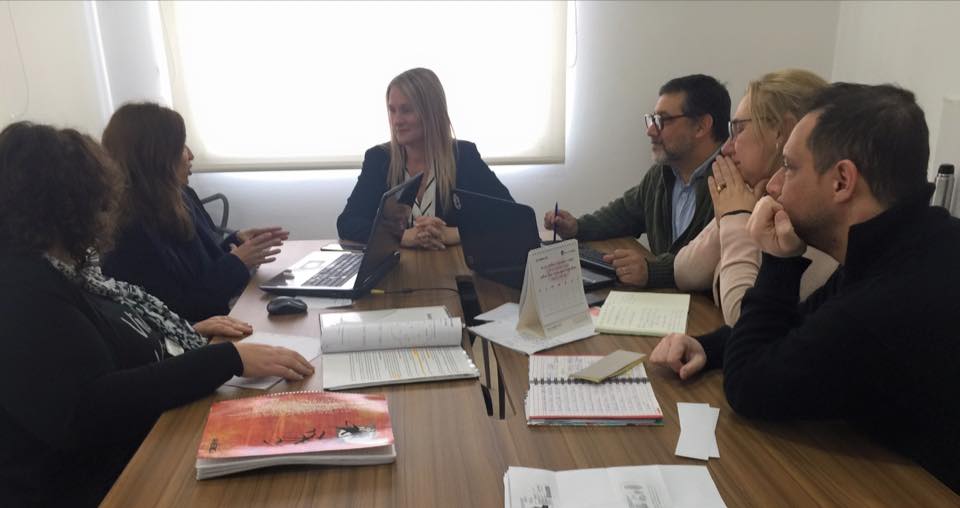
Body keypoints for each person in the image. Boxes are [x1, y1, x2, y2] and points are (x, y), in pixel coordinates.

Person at [650, 83, 960, 492]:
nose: (774, 185)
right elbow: (801, 327)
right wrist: (709, 346)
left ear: (842, 181)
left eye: (790, 167)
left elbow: (749, 387)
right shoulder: (913, 240)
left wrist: (778, 260)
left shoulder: (885, 302)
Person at [0, 122, 315, 506]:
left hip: (130, 450)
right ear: (71, 204)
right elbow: (91, 408)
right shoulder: (21, 291)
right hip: (89, 485)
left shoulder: (69, 272)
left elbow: (109, 347)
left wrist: (185, 333)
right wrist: (225, 359)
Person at [674, 69, 837, 325]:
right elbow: (683, 272)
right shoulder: (754, 194)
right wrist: (731, 216)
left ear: (783, 132)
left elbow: (745, 321)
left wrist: (736, 218)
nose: (726, 147)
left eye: (738, 129)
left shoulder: (810, 215)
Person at [101, 103, 288, 322]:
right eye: (181, 147)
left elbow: (200, 267)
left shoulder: (181, 197)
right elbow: (184, 309)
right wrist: (237, 263)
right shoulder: (130, 232)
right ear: (157, 158)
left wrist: (236, 241)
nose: (190, 155)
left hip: (223, 317)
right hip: (200, 333)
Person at [544, 74, 730, 288]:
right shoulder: (661, 174)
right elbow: (624, 214)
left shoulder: (732, 184)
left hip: (705, 305)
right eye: (652, 119)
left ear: (701, 127)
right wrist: (577, 226)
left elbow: (709, 259)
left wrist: (652, 271)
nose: (650, 130)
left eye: (663, 120)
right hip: (666, 299)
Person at [337, 67, 514, 249]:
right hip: (398, 266)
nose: (397, 120)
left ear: (431, 113)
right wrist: (401, 236)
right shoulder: (379, 159)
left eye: (406, 110)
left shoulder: (463, 156)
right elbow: (348, 223)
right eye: (392, 110)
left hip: (450, 264)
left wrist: (454, 233)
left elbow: (511, 216)